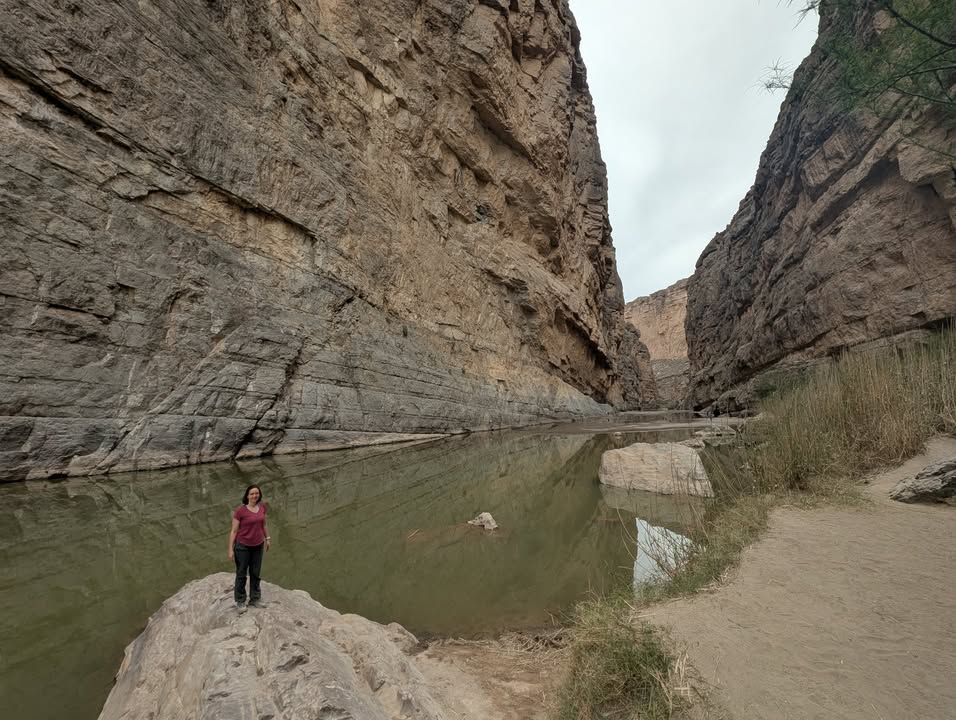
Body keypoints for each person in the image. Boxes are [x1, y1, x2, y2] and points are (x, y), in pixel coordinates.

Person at [228, 484, 271, 612]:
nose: (254, 496)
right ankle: (240, 601)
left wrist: (267, 538)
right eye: (252, 494)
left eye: (256, 493)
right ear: (247, 496)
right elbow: (234, 531)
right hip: (243, 547)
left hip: (258, 546)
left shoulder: (262, 507)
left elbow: (264, 524)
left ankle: (255, 599)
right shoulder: (240, 511)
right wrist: (230, 549)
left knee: (255, 573)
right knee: (241, 574)